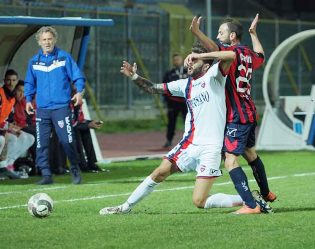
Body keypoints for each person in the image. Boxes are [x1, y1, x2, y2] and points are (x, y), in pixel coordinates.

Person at [99, 42, 268, 216]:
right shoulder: (184, 85)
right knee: (159, 173)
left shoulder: (215, 76)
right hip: (189, 145)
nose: (189, 62)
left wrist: (201, 55)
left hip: (211, 149)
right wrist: (135, 77)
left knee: (199, 201)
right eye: (189, 59)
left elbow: (231, 56)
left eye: (193, 60)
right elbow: (153, 88)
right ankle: (124, 207)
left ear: (206, 65)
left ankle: (249, 199)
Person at [188, 14, 277, 214]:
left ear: (233, 36)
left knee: (230, 160)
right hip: (249, 111)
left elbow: (214, 50)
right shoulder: (247, 53)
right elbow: (261, 56)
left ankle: (251, 205)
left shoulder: (232, 51)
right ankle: (266, 193)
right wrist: (254, 34)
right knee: (250, 153)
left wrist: (197, 35)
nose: (218, 35)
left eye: (221, 32)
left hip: (237, 115)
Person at [24, 26, 85, 185]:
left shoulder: (64, 58)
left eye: (50, 39)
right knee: (41, 144)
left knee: (67, 141)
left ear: (55, 40)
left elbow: (78, 77)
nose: (47, 42)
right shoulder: (33, 62)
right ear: (39, 42)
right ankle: (46, 175)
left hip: (61, 108)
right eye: (44, 39)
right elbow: (29, 83)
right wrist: (28, 100)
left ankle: (75, 169)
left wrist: (79, 92)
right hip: (42, 109)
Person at [0, 69, 35, 179]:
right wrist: (8, 127)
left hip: (3, 128)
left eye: (14, 80)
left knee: (29, 138)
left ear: (17, 81)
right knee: (3, 139)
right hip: (2, 129)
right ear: (4, 81)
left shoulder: (12, 98)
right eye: (8, 80)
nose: (11, 83)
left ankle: (8, 165)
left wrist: (11, 126)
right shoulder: (1, 94)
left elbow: (7, 118)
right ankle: (2, 167)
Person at [162, 54, 188, 148]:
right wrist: (166, 100)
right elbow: (164, 87)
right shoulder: (169, 73)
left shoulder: (188, 71)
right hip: (173, 102)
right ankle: (169, 140)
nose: (176, 61)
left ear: (182, 60)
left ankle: (189, 139)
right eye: (175, 60)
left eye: (178, 59)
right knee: (171, 122)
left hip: (185, 102)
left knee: (188, 121)